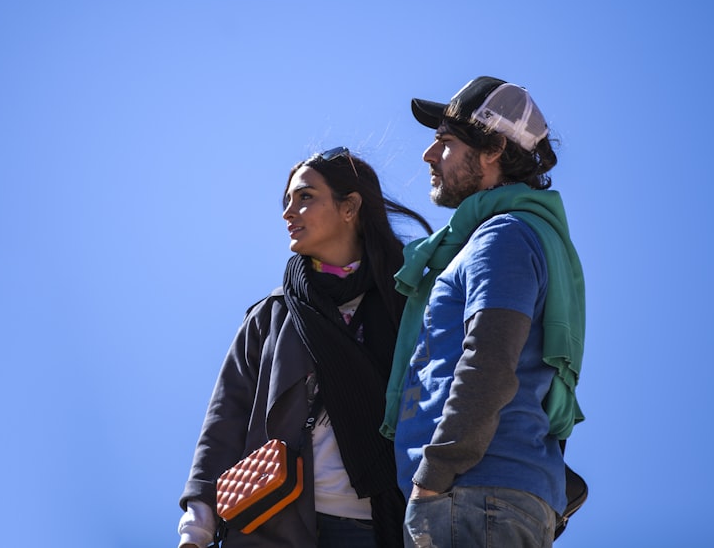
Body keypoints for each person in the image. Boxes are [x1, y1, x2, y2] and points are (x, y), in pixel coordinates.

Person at [178, 147, 432, 548]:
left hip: (377, 524)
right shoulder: (273, 314)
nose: (288, 212)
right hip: (274, 520)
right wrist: (198, 522)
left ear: (350, 207)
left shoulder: (410, 301)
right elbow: (226, 415)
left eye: (305, 197)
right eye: (287, 201)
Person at [384, 76, 586, 547]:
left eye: (445, 142)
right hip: (482, 497)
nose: (428, 155)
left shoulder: (504, 236)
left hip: (472, 496)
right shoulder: (508, 234)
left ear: (493, 147)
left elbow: (489, 363)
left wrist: (434, 475)